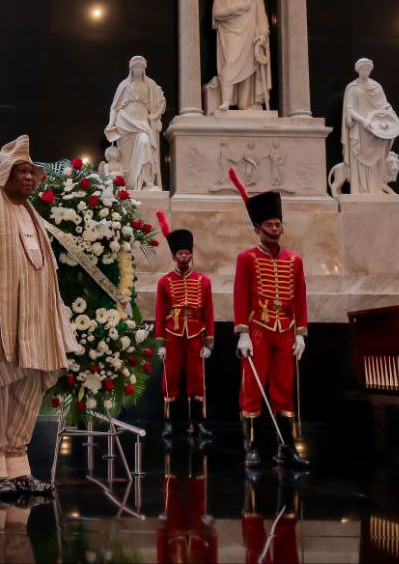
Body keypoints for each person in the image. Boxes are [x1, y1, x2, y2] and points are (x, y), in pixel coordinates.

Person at [0, 135, 79, 497]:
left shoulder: (32, 214)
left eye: (32, 172)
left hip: (34, 327)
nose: (29, 178)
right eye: (21, 171)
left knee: (27, 390)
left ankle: (18, 465)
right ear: (5, 173)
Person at [228, 168, 309, 470]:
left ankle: (286, 449)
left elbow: (300, 296)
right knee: (252, 389)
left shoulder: (294, 260)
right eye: (270, 224)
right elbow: (240, 295)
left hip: (285, 331)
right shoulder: (246, 259)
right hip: (259, 330)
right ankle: (251, 447)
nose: (276, 229)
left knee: (283, 390)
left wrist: (300, 332)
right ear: (258, 229)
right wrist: (242, 332)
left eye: (278, 224)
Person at [154, 211, 215, 440]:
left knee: (197, 379)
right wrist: (160, 342)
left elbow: (208, 313)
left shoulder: (204, 282)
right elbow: (160, 314)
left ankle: (198, 423)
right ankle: (169, 423)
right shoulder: (164, 282)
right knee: (170, 378)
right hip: (172, 335)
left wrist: (209, 342)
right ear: (174, 256)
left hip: (196, 334)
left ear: (191, 255)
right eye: (180, 252)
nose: (183, 256)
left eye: (186, 252)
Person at [211, 0, 272, 111]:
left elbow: (261, 17)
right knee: (230, 64)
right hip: (231, 34)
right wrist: (238, 7)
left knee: (248, 69)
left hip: (250, 35)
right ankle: (225, 101)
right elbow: (217, 13)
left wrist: (263, 34)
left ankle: (244, 104)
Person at [341, 58, 399, 195]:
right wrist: (363, 120)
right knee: (360, 159)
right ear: (358, 70)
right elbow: (350, 110)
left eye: (368, 69)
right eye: (363, 69)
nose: (366, 72)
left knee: (378, 160)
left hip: (377, 131)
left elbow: (386, 106)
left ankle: (375, 189)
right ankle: (361, 190)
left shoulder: (377, 87)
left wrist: (397, 121)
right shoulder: (353, 88)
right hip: (361, 129)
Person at [104, 55, 165, 189]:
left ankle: (144, 181)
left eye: (140, 67)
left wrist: (154, 115)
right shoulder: (124, 85)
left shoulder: (150, 84)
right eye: (135, 67)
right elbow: (114, 107)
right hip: (124, 122)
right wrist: (110, 123)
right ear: (131, 69)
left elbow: (161, 102)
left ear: (144, 69)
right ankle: (126, 184)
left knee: (144, 143)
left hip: (142, 123)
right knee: (125, 157)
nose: (138, 69)